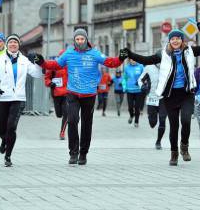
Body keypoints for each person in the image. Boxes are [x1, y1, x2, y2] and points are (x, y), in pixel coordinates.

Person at [121, 22, 200, 166]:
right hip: (170, 95)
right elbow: (146, 60)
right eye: (172, 39)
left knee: (186, 121)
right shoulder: (162, 54)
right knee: (174, 126)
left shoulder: (189, 50)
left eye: (178, 38)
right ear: (169, 41)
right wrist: (130, 54)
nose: (175, 41)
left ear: (182, 40)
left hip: (186, 93)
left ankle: (184, 146)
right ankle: (174, 153)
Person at [29, 28, 125, 165]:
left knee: (87, 124)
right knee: (72, 120)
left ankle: (83, 154)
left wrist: (121, 58)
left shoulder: (94, 53)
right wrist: (42, 62)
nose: (80, 41)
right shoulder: (69, 53)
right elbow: (55, 65)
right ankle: (73, 153)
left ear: (86, 39)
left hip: (89, 94)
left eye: (82, 39)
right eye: (77, 39)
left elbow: (110, 62)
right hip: (72, 93)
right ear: (74, 40)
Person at [0, 34, 42, 167]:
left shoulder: (24, 60)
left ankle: (8, 156)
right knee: (1, 129)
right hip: (2, 98)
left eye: (15, 43)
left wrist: (39, 62)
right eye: (11, 42)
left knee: (11, 127)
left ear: (19, 45)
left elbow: (38, 74)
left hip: (18, 98)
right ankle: (4, 141)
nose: (13, 45)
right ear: (7, 44)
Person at [138, 64, 167, 149]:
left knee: (162, 120)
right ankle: (151, 119)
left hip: (163, 98)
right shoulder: (149, 68)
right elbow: (140, 79)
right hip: (151, 98)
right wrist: (142, 86)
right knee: (152, 123)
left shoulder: (168, 66)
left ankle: (158, 141)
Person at [44, 49, 68, 140]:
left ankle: (62, 133)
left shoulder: (71, 66)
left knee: (67, 113)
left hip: (67, 93)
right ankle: (59, 114)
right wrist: (50, 83)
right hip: (56, 93)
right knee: (59, 114)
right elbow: (46, 78)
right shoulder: (54, 66)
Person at [122, 59, 143, 127]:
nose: (133, 61)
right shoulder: (127, 67)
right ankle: (131, 116)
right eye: (132, 60)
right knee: (130, 107)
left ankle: (136, 121)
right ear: (129, 60)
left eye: (134, 59)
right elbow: (124, 78)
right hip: (129, 90)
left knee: (137, 107)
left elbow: (144, 76)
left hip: (138, 90)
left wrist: (143, 83)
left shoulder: (141, 67)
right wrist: (124, 87)